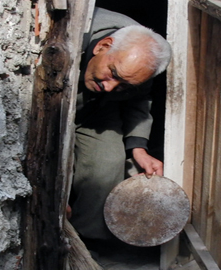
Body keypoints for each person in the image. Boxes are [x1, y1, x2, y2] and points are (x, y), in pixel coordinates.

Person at [68, 7, 172, 241]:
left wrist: (138, 148)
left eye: (124, 84)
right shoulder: (71, 33)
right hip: (47, 107)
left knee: (107, 162)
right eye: (112, 74)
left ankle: (84, 240)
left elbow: (139, 100)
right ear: (102, 46)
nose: (110, 87)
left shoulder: (141, 64)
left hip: (96, 111)